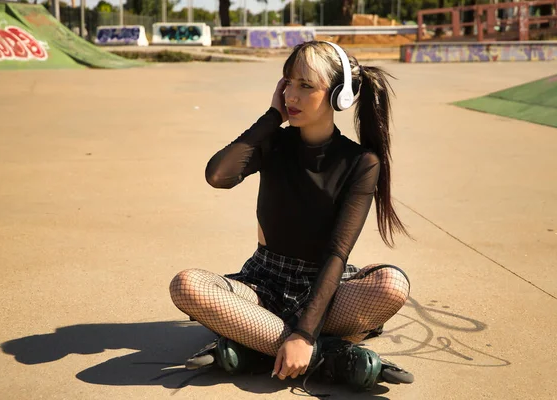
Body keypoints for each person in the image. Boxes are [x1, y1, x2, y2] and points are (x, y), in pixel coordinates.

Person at [169, 40, 412, 393]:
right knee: (187, 285)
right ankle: (327, 357)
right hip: (261, 285)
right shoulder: (275, 143)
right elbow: (218, 176)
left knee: (392, 285)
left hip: (326, 291)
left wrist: (303, 330)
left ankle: (259, 347)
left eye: (305, 85)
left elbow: (337, 254)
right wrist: (270, 118)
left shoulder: (361, 163)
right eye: (288, 83)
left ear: (339, 96)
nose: (292, 96)